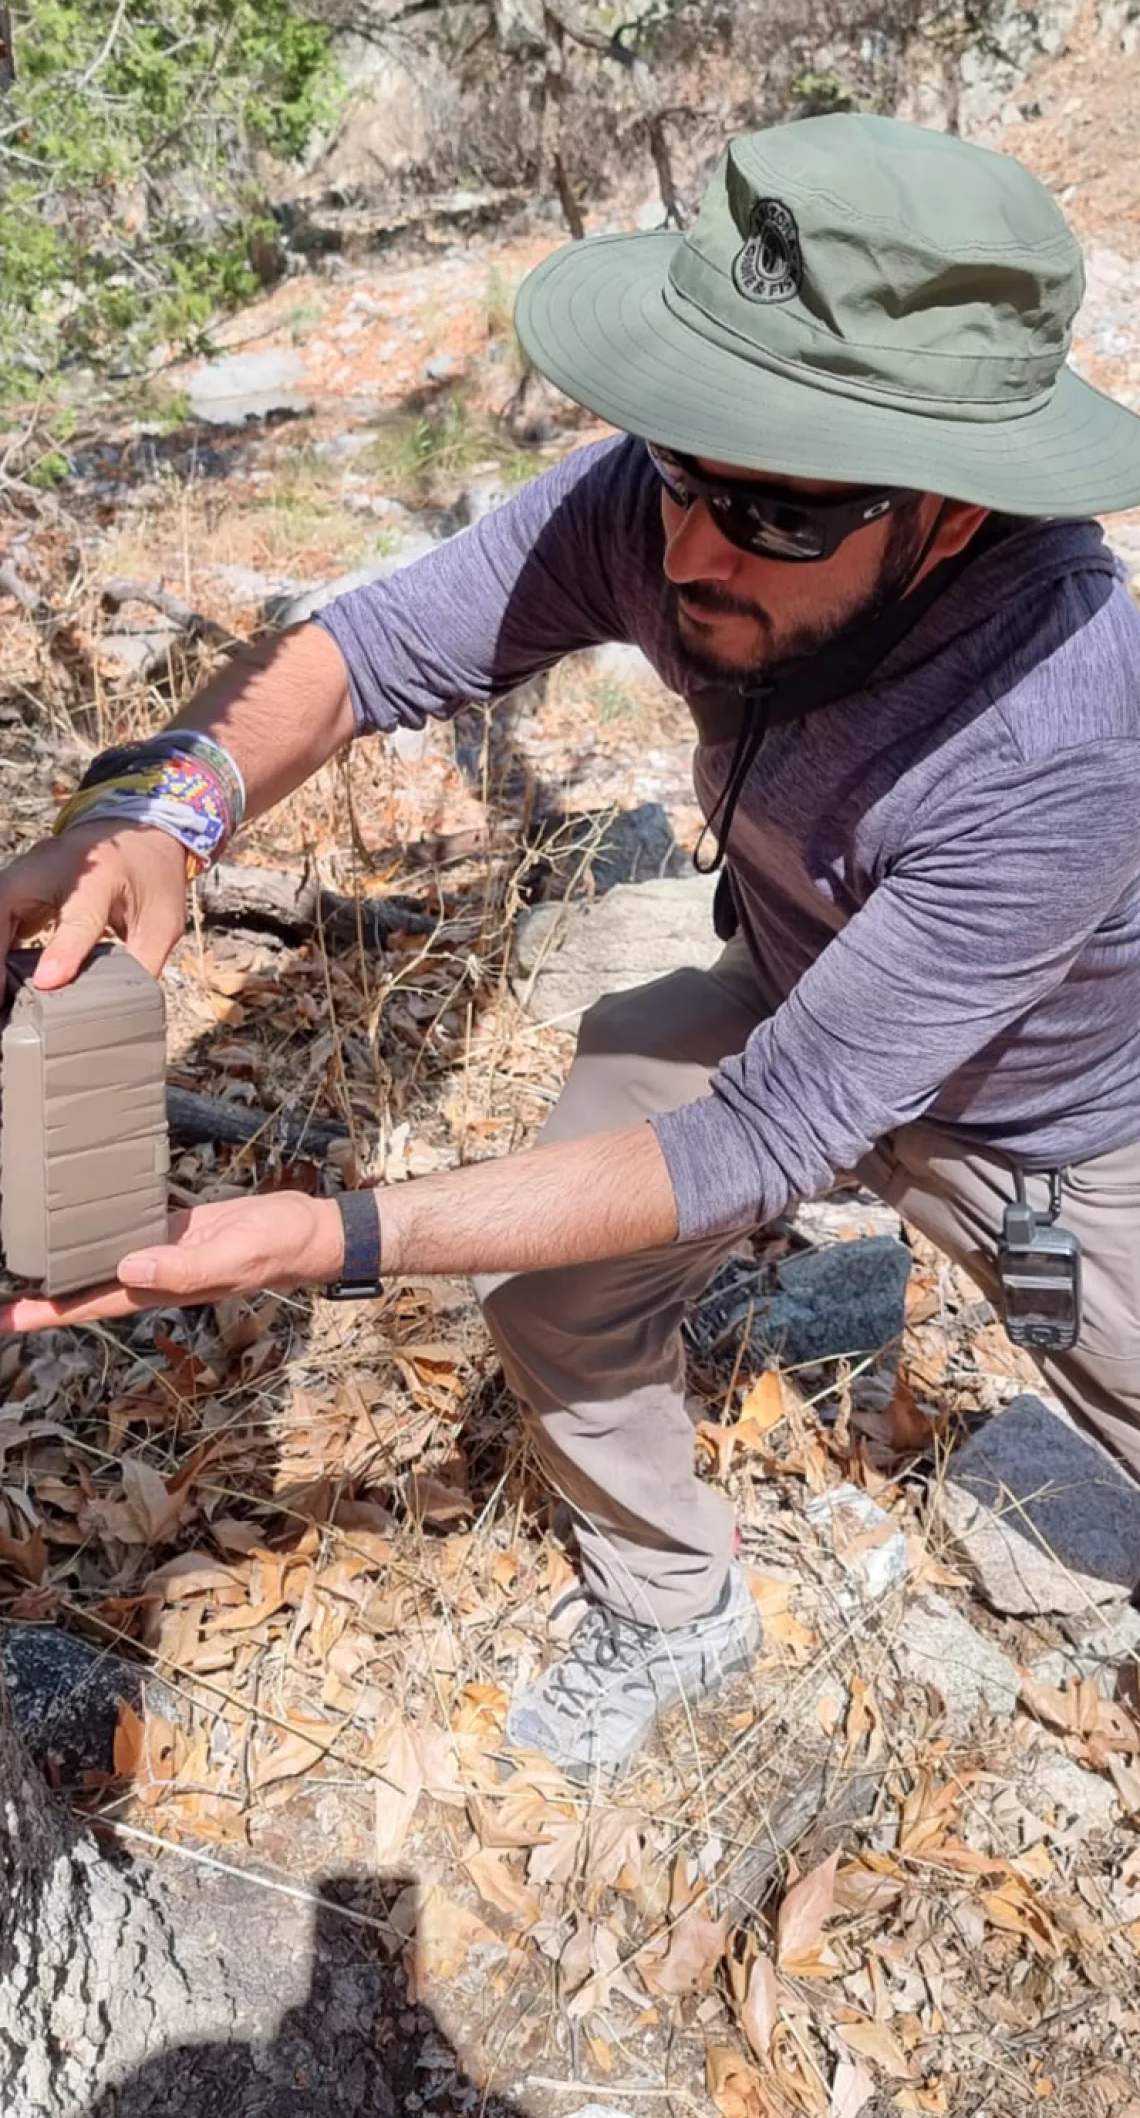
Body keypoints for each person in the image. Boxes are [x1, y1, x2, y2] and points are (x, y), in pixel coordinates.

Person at [3, 113, 1140, 1786]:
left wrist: (322, 1237)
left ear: (952, 515)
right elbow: (381, 639)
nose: (687, 547)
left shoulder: (1061, 732)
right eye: (681, 463)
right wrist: (163, 808)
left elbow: (759, 1146)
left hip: (1050, 1125)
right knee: (559, 1289)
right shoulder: (681, 503)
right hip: (796, 987)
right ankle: (675, 1597)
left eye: (773, 511)